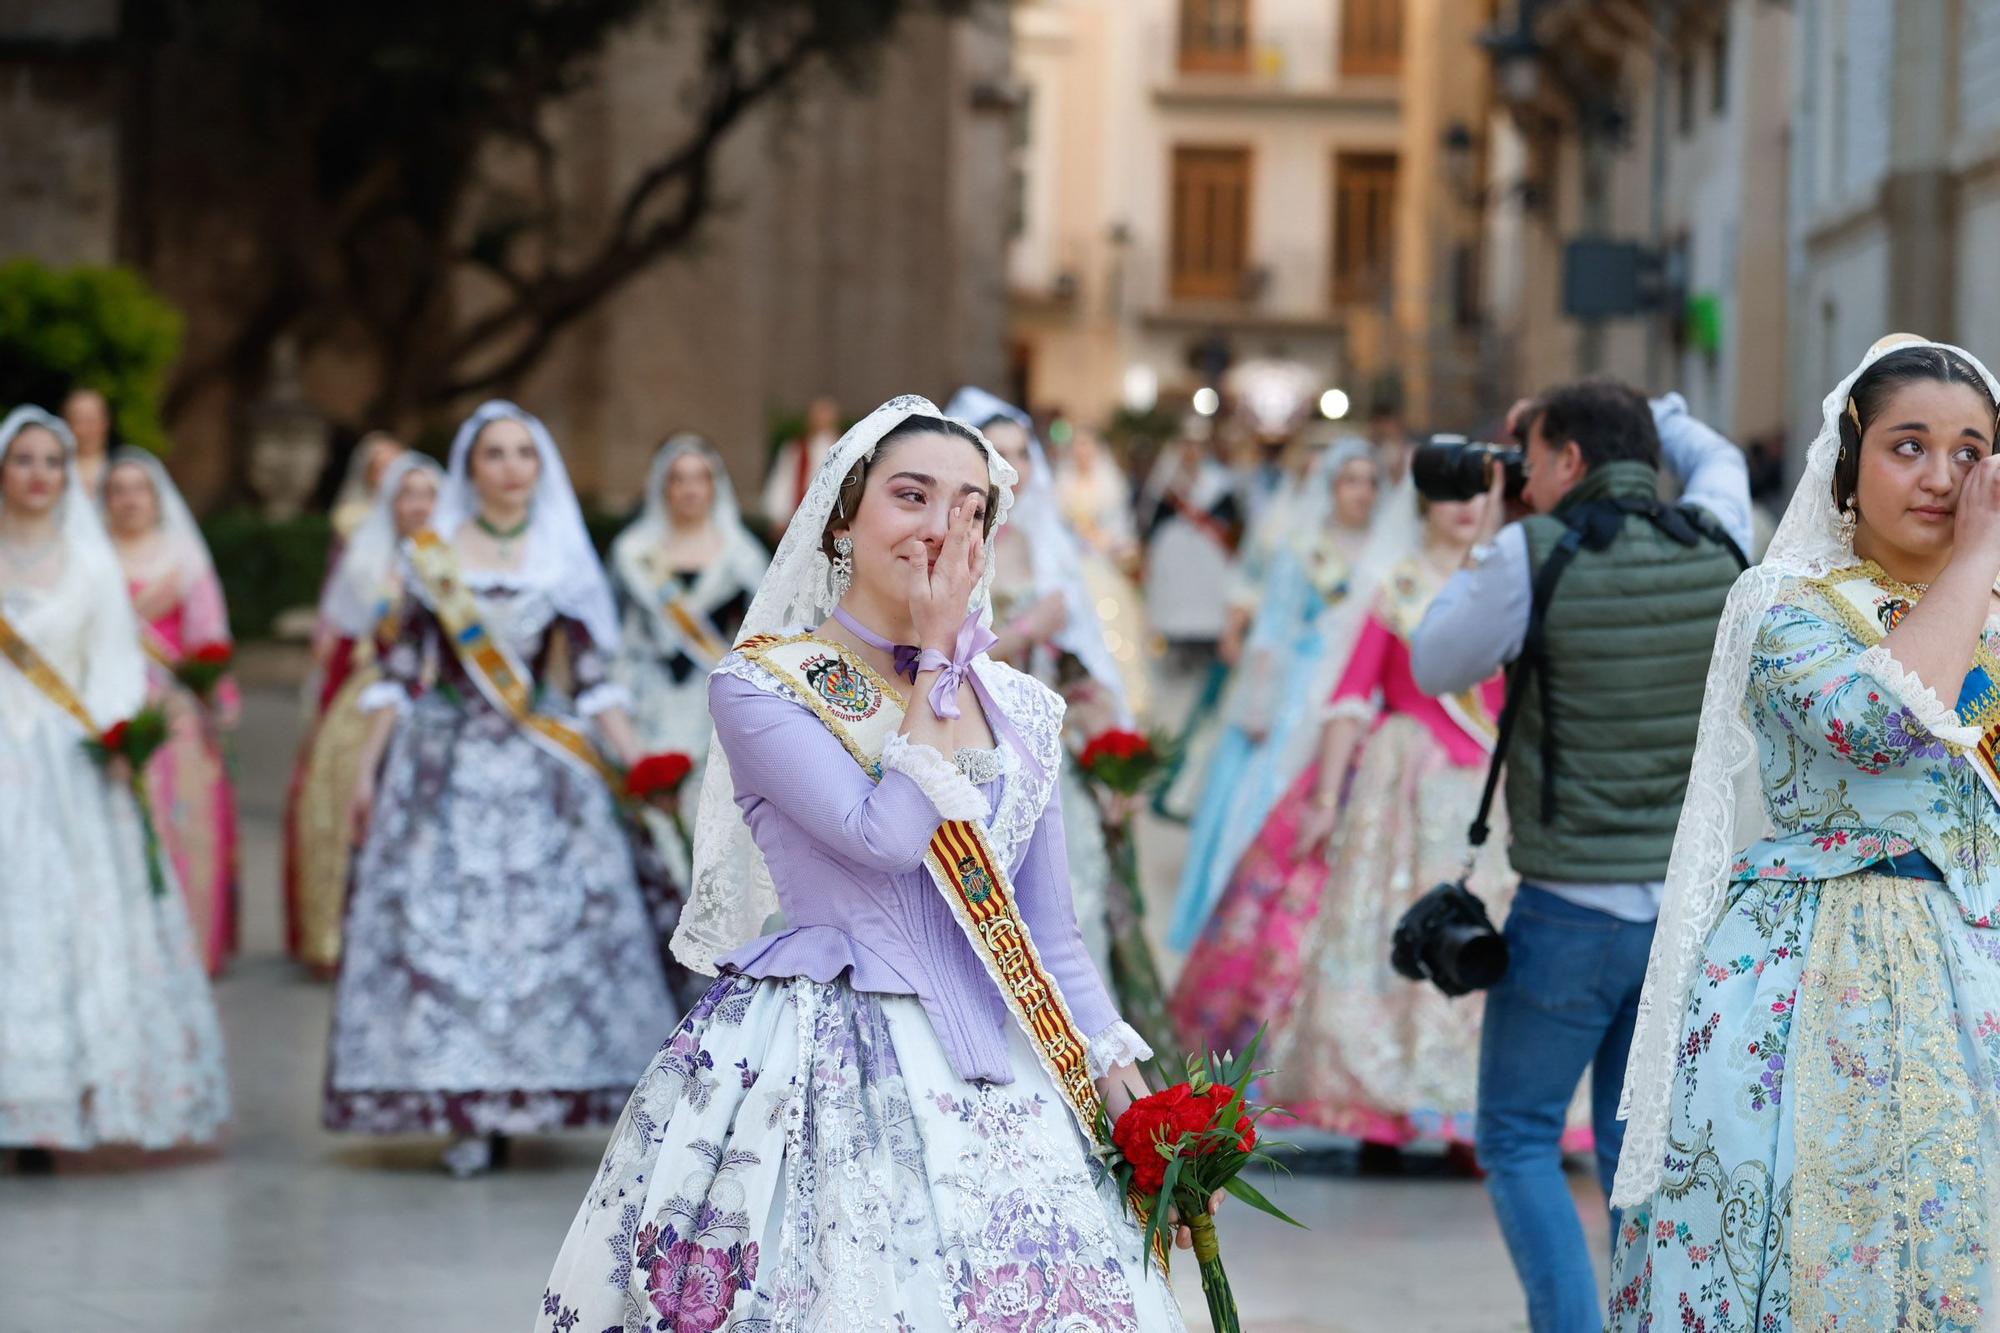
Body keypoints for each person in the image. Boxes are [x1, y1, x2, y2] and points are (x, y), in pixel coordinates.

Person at [534, 397, 1187, 1332]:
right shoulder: (762, 685)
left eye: (968, 507)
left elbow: (1049, 933)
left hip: (1011, 1065)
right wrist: (932, 666)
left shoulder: (1023, 708)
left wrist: (1120, 1072)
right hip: (826, 1061)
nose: (937, 527)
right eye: (910, 496)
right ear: (844, 514)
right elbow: (882, 837)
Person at [1608, 337, 2000, 1329]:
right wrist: (1979, 557)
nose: (1939, 478)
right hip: (1813, 979)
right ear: (1848, 462)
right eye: (1907, 446)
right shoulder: (1784, 606)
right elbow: (1878, 723)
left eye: (1969, 454)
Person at [1409, 380, 1752, 1330]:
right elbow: (1722, 462)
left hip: (1570, 910)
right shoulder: (1720, 537)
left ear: (1563, 462)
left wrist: (1490, 524)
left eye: (1536, 458)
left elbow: (1432, 660)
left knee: (1517, 1136)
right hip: (1685, 915)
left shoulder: (1530, 554)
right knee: (1628, 1144)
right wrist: (1666, 411)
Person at [324, 400, 675, 1178]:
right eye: (494, 454)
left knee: (553, 941)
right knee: (447, 940)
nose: (512, 467)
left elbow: (590, 680)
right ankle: (468, 1108)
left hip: (543, 761)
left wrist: (641, 763)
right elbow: (402, 673)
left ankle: (539, 1091)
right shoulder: (433, 554)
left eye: (524, 453)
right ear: (469, 469)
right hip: (443, 762)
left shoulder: (562, 558)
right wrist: (366, 771)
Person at [1242, 486, 1510, 1163]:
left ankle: (1466, 1110)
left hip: (1488, 792)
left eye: (1482, 487)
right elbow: (1351, 695)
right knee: (1389, 939)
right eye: (1452, 486)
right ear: (1423, 501)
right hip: (1403, 796)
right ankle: (1377, 1107)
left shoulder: (1508, 585)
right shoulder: (1399, 586)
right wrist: (1326, 799)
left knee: (1484, 937)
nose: (1465, 503)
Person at [0, 407, 228, 1165]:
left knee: (71, 922)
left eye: (53, 462)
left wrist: (114, 732)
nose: (38, 475)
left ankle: (59, 1105)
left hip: (69, 758)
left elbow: (114, 662)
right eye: (24, 459)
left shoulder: (89, 560)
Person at [946, 385, 1167, 1048]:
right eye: (995, 453)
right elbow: (932, 661)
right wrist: (1022, 631)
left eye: (1023, 453)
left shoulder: (1052, 548)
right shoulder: (945, 545)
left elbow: (1084, 667)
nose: (1012, 467)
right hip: (964, 755)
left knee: (1067, 908)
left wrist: (1112, 758)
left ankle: (1075, 1056)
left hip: (1045, 761)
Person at [1168, 435, 1381, 951]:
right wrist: (1259, 701)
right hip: (1299, 690)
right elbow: (1273, 630)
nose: (1362, 493)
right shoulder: (1303, 546)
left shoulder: (1386, 552)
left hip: (1360, 693)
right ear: (1329, 487)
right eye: (1351, 481)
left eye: (1372, 482)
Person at [282, 453, 441, 976]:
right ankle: (340, 935)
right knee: (345, 804)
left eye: (428, 494)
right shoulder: (366, 562)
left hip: (442, 698)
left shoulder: (460, 559)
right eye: (406, 494)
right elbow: (340, 642)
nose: (418, 505)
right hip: (373, 695)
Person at [103, 448, 242, 977]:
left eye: (140, 489)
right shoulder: (92, 557)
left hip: (175, 714)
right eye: (119, 490)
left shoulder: (184, 560)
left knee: (186, 823)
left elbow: (208, 636)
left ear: (157, 499)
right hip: (111, 707)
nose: (130, 499)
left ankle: (189, 944)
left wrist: (216, 697)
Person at [610, 433, 769, 781]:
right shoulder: (634, 553)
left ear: (716, 485)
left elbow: (761, 637)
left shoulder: (742, 558)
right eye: (678, 478)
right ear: (662, 486)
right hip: (646, 697)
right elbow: (618, 632)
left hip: (713, 702)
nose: (690, 489)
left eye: (700, 477)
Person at [1139, 424, 1244, 653]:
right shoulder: (1167, 485)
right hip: (1175, 569)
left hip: (1209, 570)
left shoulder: (1219, 483)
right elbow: (1154, 524)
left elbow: (1232, 525)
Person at [757, 395, 840, 539]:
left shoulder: (843, 448)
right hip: (800, 519)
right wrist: (779, 517)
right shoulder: (796, 449)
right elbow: (783, 482)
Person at [62, 387, 112, 499]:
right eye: (79, 420)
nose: (87, 429)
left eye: (92, 420)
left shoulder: (124, 468)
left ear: (105, 423)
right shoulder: (55, 470)